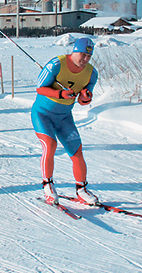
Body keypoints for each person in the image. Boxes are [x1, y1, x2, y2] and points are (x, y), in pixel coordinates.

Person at [32, 37, 99, 206]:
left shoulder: (92, 73)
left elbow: (84, 100)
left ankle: (81, 190)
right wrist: (59, 94)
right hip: (43, 114)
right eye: (82, 55)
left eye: (88, 57)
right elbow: (40, 88)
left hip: (64, 117)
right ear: (74, 51)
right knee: (50, 146)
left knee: (76, 151)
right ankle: (48, 186)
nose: (85, 59)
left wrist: (85, 97)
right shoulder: (56, 64)